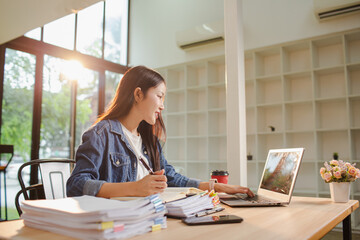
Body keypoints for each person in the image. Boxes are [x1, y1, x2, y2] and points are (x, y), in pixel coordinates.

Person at [66, 65, 254, 198]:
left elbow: (171, 178)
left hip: (151, 218)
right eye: (159, 96)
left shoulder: (150, 140)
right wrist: (133, 188)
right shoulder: (101, 134)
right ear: (138, 94)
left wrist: (214, 186)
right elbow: (76, 184)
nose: (162, 106)